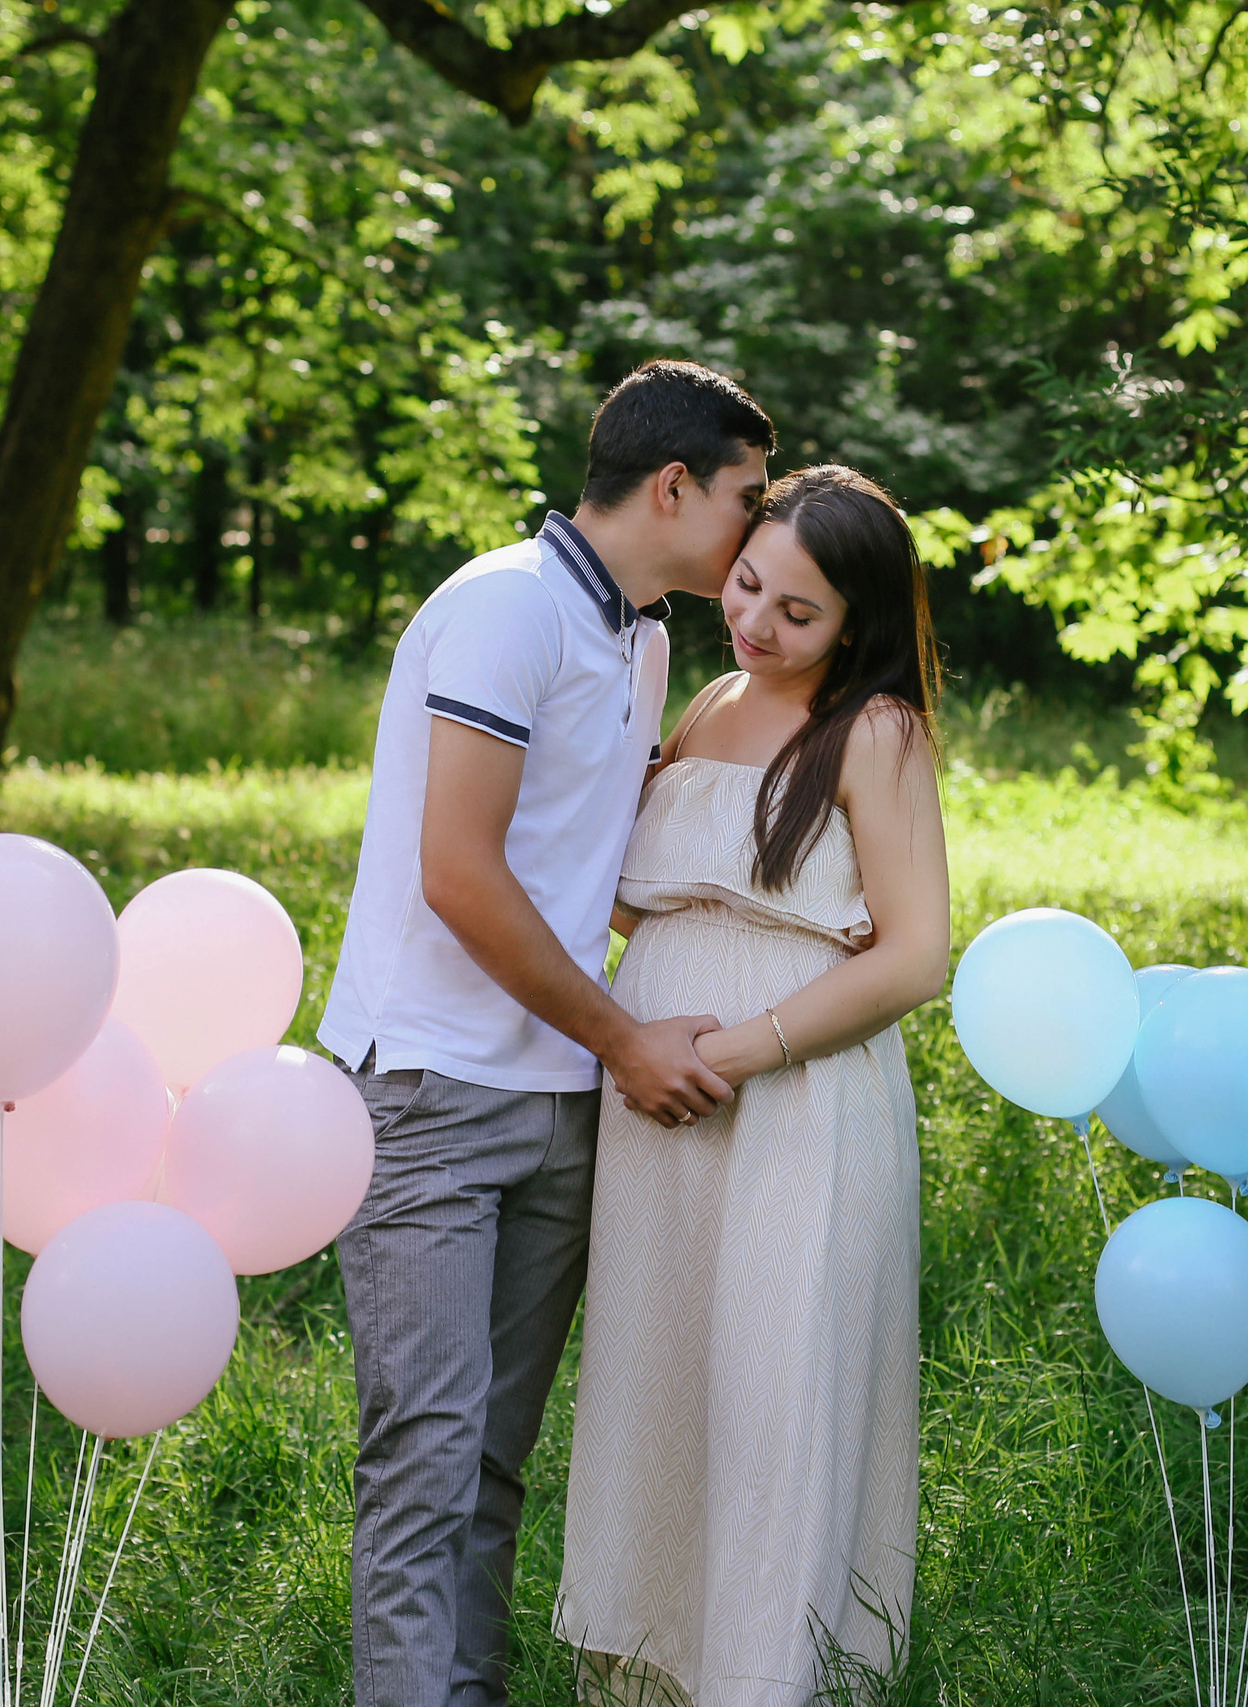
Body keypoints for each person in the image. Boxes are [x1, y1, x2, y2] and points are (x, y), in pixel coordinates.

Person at [319, 359, 775, 1707]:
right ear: (674, 484)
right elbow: (458, 875)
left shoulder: (645, 639)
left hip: (561, 1101)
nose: (759, 527)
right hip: (429, 1094)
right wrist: (627, 1040)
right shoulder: (504, 606)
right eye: (748, 497)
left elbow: (593, 866)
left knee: (489, 1464)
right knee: (424, 1459)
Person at [556, 466, 951, 1705]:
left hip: (793, 1101)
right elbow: (642, 894)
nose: (756, 623)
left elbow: (915, 954)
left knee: (778, 1387)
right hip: (659, 1113)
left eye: (797, 611)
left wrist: (735, 1048)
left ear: (856, 623)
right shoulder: (708, 696)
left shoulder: (873, 732)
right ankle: (652, 1669)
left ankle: (764, 1677)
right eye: (746, 585)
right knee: (661, 1378)